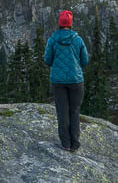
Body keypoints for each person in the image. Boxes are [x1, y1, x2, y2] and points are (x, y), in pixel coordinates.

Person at [44, 10, 88, 152]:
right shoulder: (78, 39)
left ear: (59, 23)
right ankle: (75, 143)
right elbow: (85, 60)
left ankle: (65, 143)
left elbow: (47, 60)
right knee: (74, 111)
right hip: (76, 80)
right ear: (70, 23)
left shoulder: (52, 39)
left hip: (58, 81)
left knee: (62, 112)